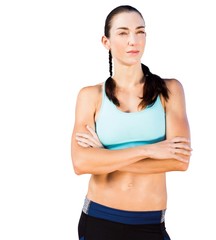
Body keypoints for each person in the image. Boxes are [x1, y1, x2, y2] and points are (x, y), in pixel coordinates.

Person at [70, 5, 192, 240]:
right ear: (106, 42)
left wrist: (104, 156)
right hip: (99, 219)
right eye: (123, 33)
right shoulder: (90, 96)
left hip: (149, 223)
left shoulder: (170, 91)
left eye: (140, 31)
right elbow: (80, 163)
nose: (133, 40)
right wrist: (150, 150)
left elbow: (180, 160)